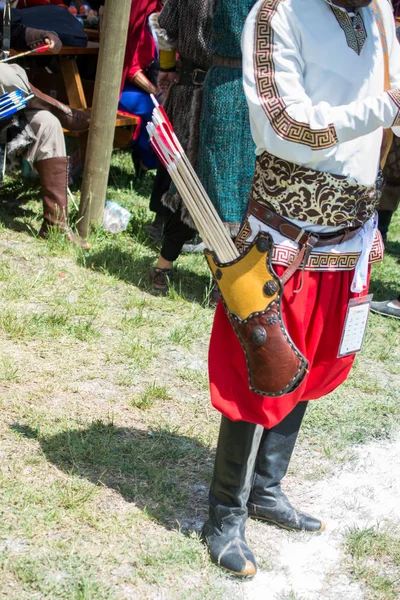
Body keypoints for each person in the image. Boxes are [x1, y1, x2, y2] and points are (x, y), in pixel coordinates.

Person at [202, 0, 398, 578]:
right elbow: (282, 125)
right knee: (263, 361)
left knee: (312, 357)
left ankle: (267, 488)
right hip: (285, 230)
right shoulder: (275, 14)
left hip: (350, 228)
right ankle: (224, 512)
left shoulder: (379, 8)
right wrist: (386, 105)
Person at [1, 12, 90, 248]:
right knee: (7, 73)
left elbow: (14, 32)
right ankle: (62, 110)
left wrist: (41, 36)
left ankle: (55, 226)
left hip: (4, 107)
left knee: (47, 124)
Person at [119, 0, 162, 181]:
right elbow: (131, 69)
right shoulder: (135, 14)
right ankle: (146, 161)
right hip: (124, 86)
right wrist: (157, 93)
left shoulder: (162, 13)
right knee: (155, 110)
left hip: (152, 83)